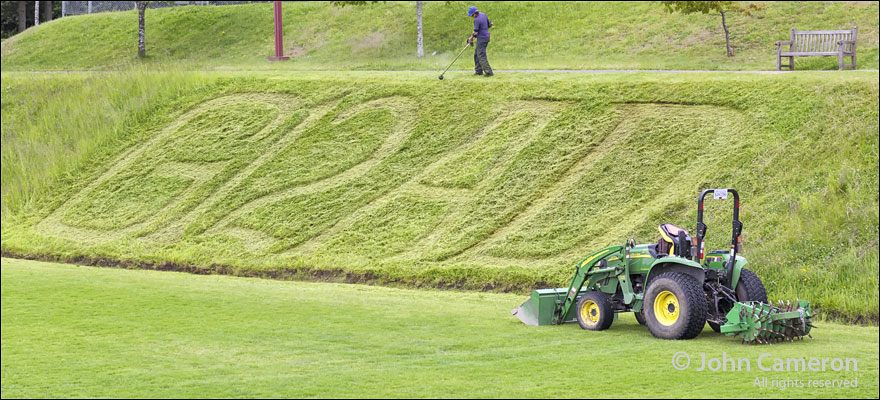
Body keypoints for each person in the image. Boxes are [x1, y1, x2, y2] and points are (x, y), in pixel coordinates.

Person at [467, 6, 494, 77]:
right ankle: (478, 71)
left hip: (482, 38)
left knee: (481, 55)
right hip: (486, 37)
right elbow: (489, 24)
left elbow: (475, 32)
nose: (472, 17)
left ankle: (489, 72)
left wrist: (471, 38)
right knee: (477, 54)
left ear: (475, 13)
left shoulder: (477, 20)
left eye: (472, 15)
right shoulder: (483, 15)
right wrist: (473, 37)